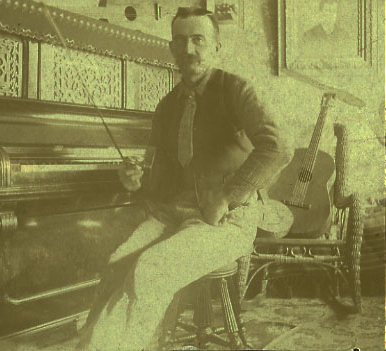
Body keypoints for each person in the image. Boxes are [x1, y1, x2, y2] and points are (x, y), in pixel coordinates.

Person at [76, 7, 290, 351]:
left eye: (198, 40)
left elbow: (278, 148)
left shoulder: (236, 90)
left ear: (216, 46)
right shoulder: (166, 106)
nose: (189, 49)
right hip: (171, 214)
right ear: (172, 48)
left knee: (152, 267)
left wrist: (229, 196)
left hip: (227, 221)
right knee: (116, 263)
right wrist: (135, 178)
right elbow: (156, 171)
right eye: (180, 41)